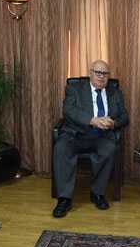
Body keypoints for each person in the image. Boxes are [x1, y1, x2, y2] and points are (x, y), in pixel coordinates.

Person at [52, 60, 129, 217]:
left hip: (102, 135)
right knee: (61, 148)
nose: (101, 77)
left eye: (105, 74)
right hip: (75, 133)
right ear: (90, 73)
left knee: (110, 149)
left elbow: (124, 116)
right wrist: (92, 120)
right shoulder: (75, 89)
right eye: (98, 73)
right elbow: (68, 111)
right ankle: (64, 199)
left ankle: (97, 193)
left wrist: (113, 123)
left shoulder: (115, 93)